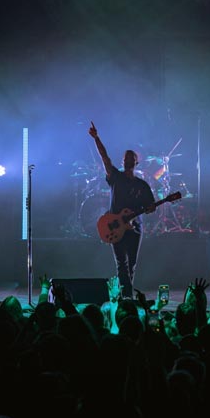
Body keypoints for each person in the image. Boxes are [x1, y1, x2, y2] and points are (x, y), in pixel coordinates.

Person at [88, 122, 156, 298]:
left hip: (135, 227)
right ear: (122, 161)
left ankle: (125, 295)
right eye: (126, 158)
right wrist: (96, 138)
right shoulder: (116, 177)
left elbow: (151, 206)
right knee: (121, 264)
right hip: (115, 225)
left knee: (131, 264)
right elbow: (105, 158)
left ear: (136, 162)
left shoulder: (142, 185)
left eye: (131, 158)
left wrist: (151, 208)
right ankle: (127, 296)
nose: (128, 160)